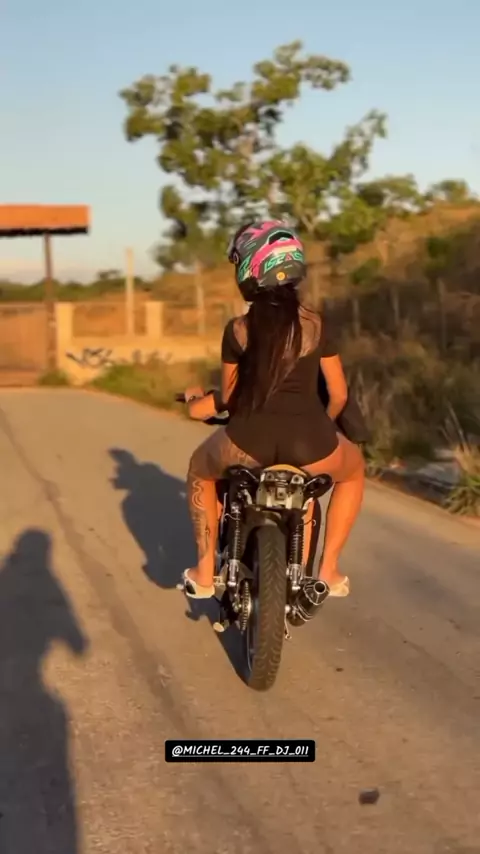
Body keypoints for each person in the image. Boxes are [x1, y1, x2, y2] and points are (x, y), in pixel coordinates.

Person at [181, 220, 365, 600]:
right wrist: (324, 426)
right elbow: (339, 394)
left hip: (248, 442)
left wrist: (196, 403)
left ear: (250, 268)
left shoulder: (238, 330)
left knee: (200, 470)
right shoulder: (315, 325)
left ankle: (204, 572)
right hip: (313, 443)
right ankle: (329, 570)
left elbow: (229, 398)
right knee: (354, 471)